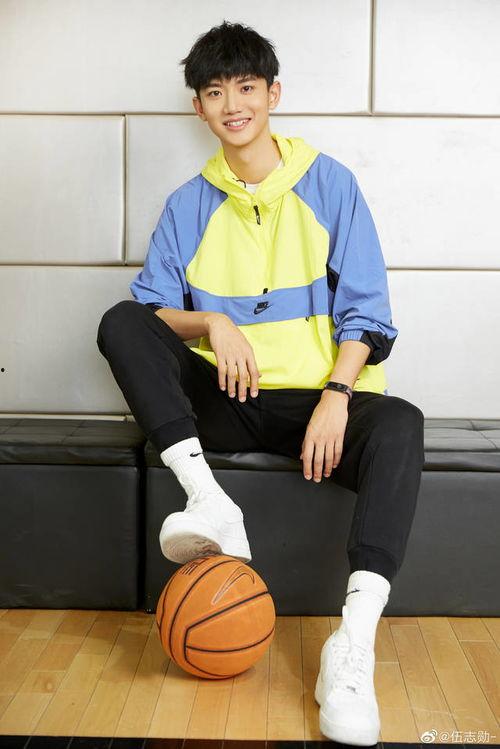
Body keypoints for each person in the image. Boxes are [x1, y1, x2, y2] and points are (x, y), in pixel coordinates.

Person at [96, 19, 425, 746]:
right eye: (215, 92)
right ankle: (211, 503)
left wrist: (338, 395)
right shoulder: (188, 204)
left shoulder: (330, 184)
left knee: (402, 422)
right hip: (229, 400)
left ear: (273, 93)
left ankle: (352, 646)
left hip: (318, 403)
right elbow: (152, 311)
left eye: (245, 87)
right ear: (199, 108)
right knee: (121, 320)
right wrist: (212, 321)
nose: (232, 104)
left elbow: (370, 314)